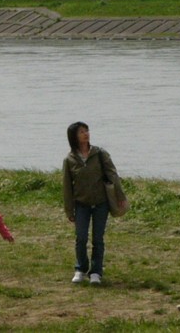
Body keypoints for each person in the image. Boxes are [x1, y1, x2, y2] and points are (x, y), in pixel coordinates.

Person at [62, 121, 126, 285]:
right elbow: (67, 187)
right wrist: (70, 211)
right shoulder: (69, 159)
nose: (86, 134)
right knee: (81, 238)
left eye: (87, 131)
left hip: (101, 204)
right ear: (74, 137)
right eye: (82, 132)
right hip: (81, 204)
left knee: (98, 239)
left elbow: (113, 174)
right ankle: (80, 268)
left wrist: (120, 196)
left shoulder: (99, 153)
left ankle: (96, 272)